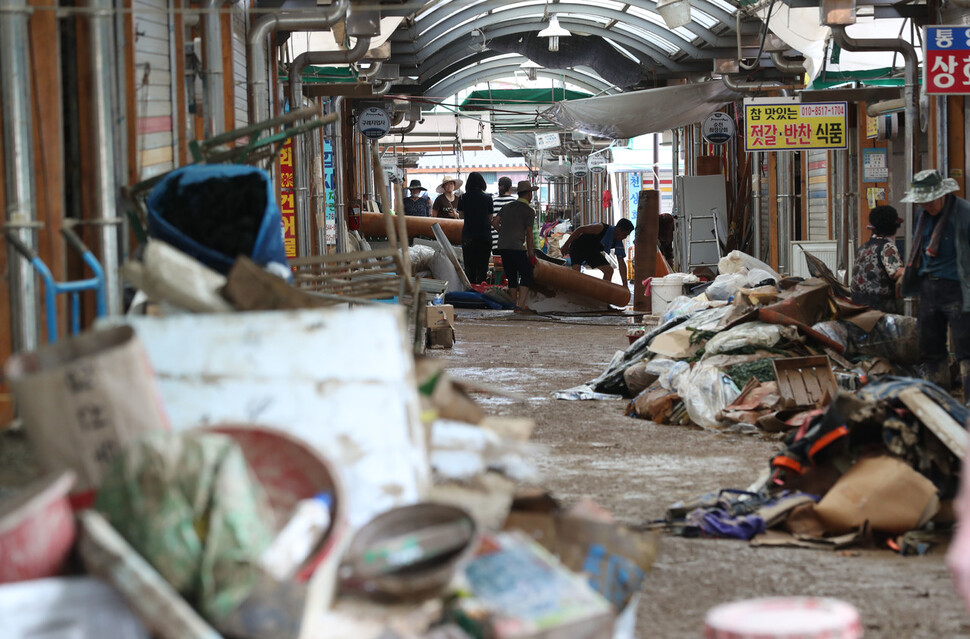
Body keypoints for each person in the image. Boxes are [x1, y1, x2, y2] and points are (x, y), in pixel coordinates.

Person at [900, 168, 970, 401]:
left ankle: (968, 399)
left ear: (942, 195)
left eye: (930, 201)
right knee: (929, 342)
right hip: (929, 285)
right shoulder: (922, 216)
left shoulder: (964, 213)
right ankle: (940, 397)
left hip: (958, 286)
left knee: (965, 343)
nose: (926, 206)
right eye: (922, 202)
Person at [493, 180, 539, 314]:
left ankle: (514, 305)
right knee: (527, 273)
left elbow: (494, 222)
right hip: (517, 247)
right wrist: (531, 254)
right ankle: (521, 305)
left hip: (503, 246)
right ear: (529, 194)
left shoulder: (507, 207)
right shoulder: (529, 211)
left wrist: (503, 233)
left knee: (511, 275)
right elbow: (529, 235)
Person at [849, 205, 904, 313]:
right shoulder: (887, 246)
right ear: (893, 228)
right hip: (880, 305)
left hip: (857, 303)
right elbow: (895, 272)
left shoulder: (863, 247)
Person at [558, 219, 634, 287]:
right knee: (577, 274)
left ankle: (603, 297)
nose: (625, 237)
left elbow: (621, 263)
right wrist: (566, 245)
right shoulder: (601, 228)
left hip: (592, 251)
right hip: (578, 247)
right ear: (618, 230)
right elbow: (580, 229)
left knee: (609, 271)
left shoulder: (618, 243)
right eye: (625, 234)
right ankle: (572, 294)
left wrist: (625, 284)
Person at [457, 172, 494, 285]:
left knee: (470, 268)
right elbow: (490, 217)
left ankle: (470, 294)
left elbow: (461, 216)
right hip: (484, 237)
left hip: (469, 236)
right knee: (482, 268)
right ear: (482, 183)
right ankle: (481, 293)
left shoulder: (463, 197)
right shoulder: (488, 198)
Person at [491, 176, 516, 254]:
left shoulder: (492, 201)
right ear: (510, 188)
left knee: (498, 266)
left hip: (495, 241)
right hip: (510, 242)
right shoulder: (514, 202)